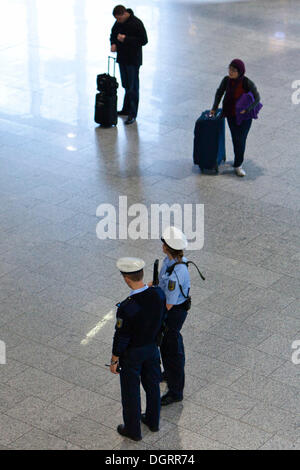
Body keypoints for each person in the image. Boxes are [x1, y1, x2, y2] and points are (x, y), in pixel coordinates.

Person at [110, 257, 166, 441]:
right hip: (152, 348)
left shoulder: (127, 307)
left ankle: (133, 430)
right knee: (152, 384)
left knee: (131, 391)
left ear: (126, 278)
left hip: (132, 354)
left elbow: (121, 336)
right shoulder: (158, 294)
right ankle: (153, 421)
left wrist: (114, 359)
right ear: (141, 274)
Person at [210, 59, 261, 177]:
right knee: (235, 138)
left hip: (245, 117)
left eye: (234, 70)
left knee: (240, 139)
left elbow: (257, 98)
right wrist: (214, 107)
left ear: (240, 72)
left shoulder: (247, 82)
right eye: (230, 69)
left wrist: (247, 109)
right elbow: (219, 93)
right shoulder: (226, 80)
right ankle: (238, 161)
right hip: (231, 115)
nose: (231, 72)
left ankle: (238, 164)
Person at [158, 227, 191, 406]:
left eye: (163, 242)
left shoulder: (176, 274)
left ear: (166, 247)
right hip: (173, 308)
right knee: (171, 344)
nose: (162, 245)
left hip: (173, 312)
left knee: (170, 350)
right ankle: (169, 374)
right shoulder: (172, 261)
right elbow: (159, 282)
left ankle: (176, 391)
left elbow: (168, 304)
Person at [110, 5, 148, 125]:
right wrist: (113, 43)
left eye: (119, 19)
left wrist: (126, 39)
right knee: (126, 85)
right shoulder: (118, 23)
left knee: (133, 87)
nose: (118, 21)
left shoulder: (136, 23)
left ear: (125, 13)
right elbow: (113, 33)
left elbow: (144, 40)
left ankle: (132, 113)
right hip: (122, 58)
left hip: (133, 60)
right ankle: (126, 109)